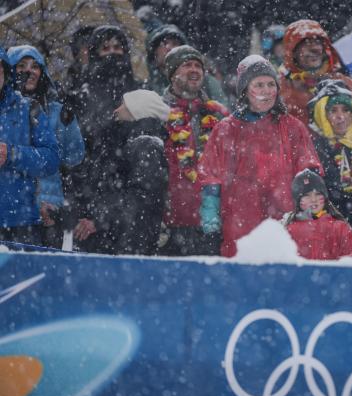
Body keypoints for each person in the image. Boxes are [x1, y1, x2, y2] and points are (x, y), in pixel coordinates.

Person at [198, 55, 322, 257]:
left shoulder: (293, 127)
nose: (266, 91)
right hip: (239, 223)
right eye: (259, 85)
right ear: (245, 91)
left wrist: (309, 211)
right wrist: (211, 219)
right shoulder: (225, 130)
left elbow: (309, 171)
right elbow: (210, 177)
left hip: (286, 222)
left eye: (271, 84)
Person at [68, 25, 166, 254]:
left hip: (127, 215)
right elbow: (74, 161)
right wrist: (81, 210)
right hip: (89, 208)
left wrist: (104, 216)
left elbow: (144, 178)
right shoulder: (77, 97)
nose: (113, 52)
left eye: (118, 47)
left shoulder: (141, 95)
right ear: (94, 53)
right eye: (105, 48)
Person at [7, 45, 85, 249]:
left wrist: (68, 126)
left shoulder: (57, 110)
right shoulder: (5, 112)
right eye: (21, 66)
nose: (29, 72)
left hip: (51, 208)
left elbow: (74, 157)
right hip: (14, 208)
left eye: (35, 66)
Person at [157, 45, 229, 256]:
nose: (194, 69)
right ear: (172, 74)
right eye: (187, 65)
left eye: (198, 66)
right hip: (171, 223)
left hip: (210, 222)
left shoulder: (218, 114)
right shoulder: (158, 111)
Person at [0, 46, 59, 245]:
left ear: (5, 74)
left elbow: (51, 159)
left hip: (20, 224)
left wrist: (12, 154)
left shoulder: (29, 109)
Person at [308, 79, 352, 238]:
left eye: (346, 110)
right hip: (330, 235)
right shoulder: (313, 151)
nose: (340, 117)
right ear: (322, 115)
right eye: (333, 110)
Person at [279, 19, 352, 126]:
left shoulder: (343, 84)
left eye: (317, 42)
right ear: (293, 53)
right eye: (306, 43)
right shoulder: (279, 89)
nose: (314, 48)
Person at [284, 169, 352, 260]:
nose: (314, 199)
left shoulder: (339, 228)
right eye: (307, 195)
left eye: (318, 194)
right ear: (297, 201)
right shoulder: (289, 231)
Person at [145, 25, 229, 106]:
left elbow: (223, 114)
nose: (169, 47)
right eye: (163, 44)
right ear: (154, 54)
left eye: (174, 43)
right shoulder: (146, 87)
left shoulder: (205, 81)